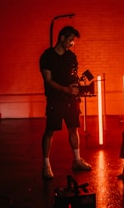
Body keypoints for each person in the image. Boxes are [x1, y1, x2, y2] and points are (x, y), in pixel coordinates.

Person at [39, 26, 91, 180]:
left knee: (73, 128)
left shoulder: (71, 57)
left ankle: (76, 160)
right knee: (50, 131)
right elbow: (48, 80)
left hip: (70, 100)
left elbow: (73, 76)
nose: (71, 43)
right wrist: (65, 89)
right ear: (62, 38)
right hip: (55, 98)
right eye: (70, 40)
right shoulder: (47, 56)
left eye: (73, 41)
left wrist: (75, 88)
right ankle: (46, 165)